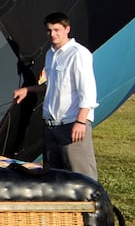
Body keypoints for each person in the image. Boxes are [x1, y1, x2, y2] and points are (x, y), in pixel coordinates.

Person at [13, 11, 99, 179]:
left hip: (72, 124)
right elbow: (51, 85)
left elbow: (87, 91)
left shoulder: (78, 54)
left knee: (81, 175)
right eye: (49, 30)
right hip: (52, 126)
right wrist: (28, 90)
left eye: (57, 30)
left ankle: (91, 205)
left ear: (67, 29)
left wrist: (81, 122)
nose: (53, 34)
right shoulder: (50, 54)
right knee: (54, 176)